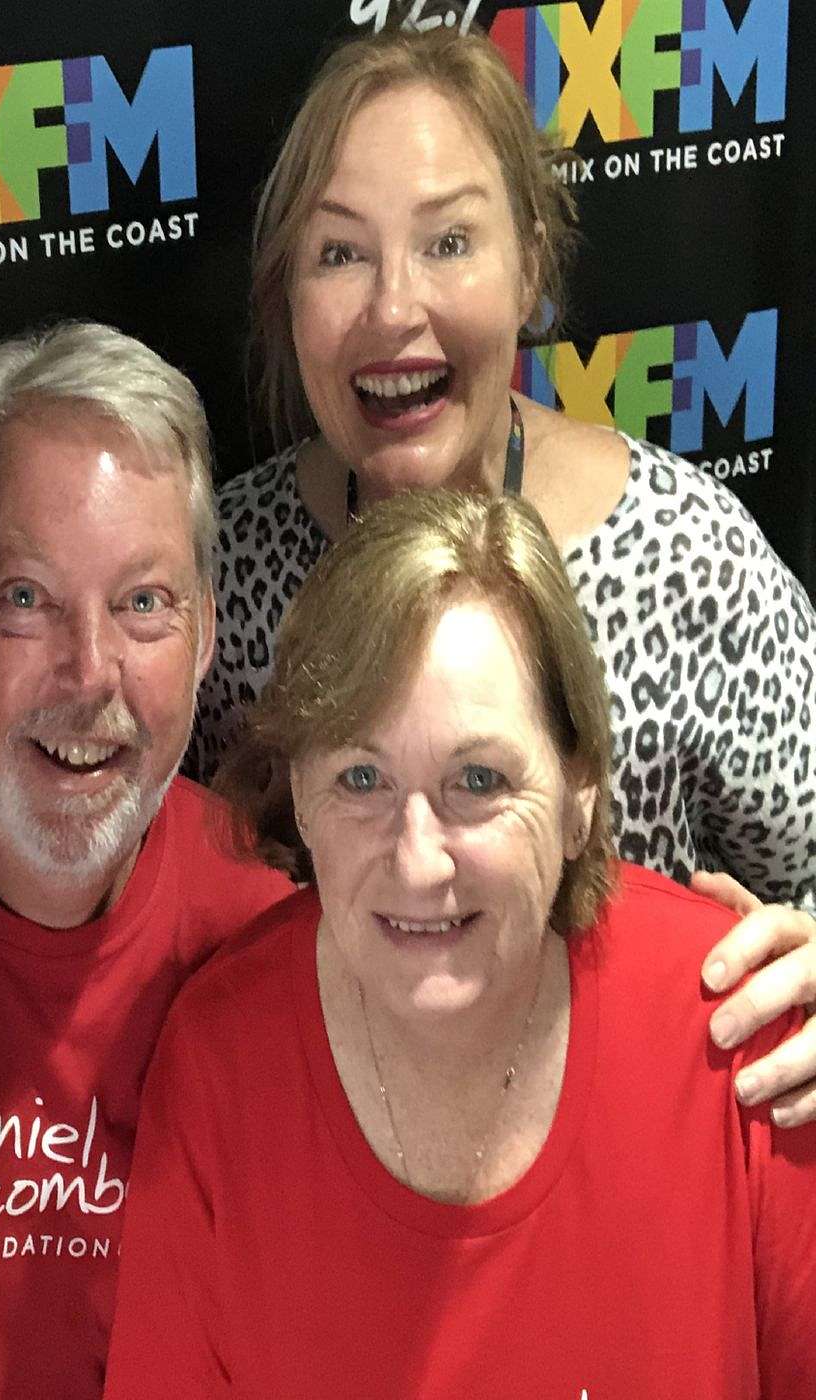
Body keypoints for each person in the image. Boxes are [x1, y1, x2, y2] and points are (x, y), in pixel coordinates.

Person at [105, 490, 816, 1397]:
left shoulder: (739, 1029)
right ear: (301, 802)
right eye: (361, 778)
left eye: (477, 780)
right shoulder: (221, 1063)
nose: (418, 861)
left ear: (580, 790)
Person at [189, 19, 816, 921]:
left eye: (448, 242)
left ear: (529, 268)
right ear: (287, 297)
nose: (393, 307)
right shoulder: (225, 574)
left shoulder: (689, 560)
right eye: (340, 253)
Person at [0, 322, 295, 1400]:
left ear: (205, 635)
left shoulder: (267, 939)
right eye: (27, 598)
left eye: (142, 603)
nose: (90, 672)